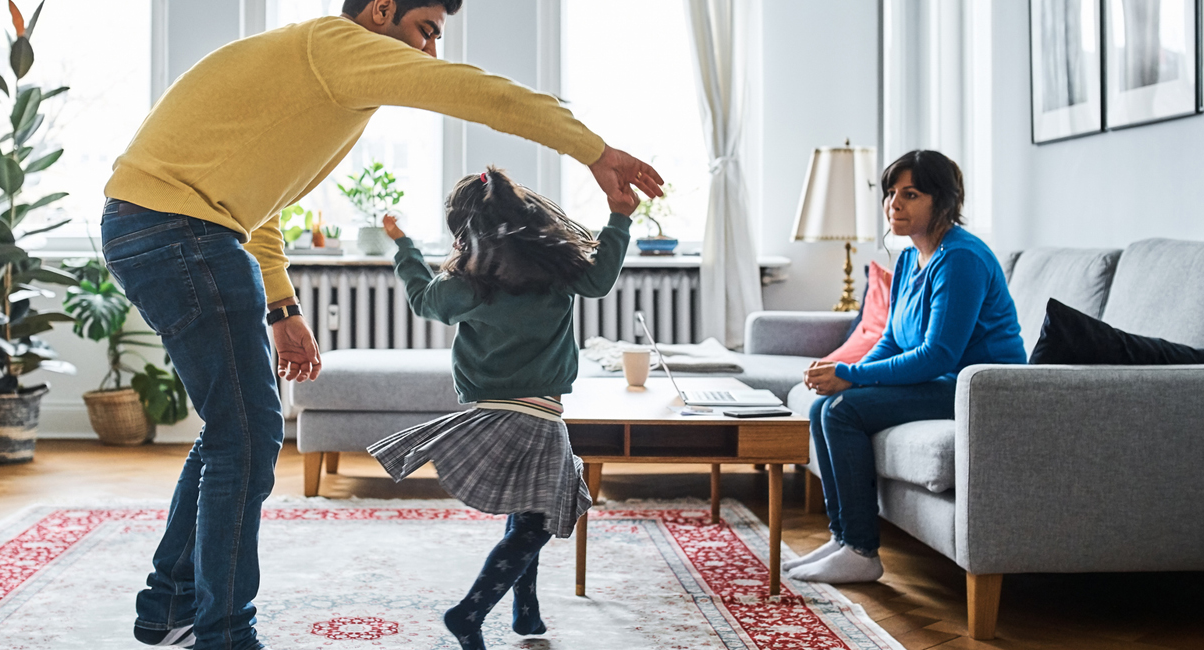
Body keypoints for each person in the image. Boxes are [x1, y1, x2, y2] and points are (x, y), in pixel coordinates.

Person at [101, 0, 664, 647]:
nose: (428, 53)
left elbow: (261, 203)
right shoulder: (339, 47)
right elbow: (477, 92)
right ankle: (223, 634)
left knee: (232, 433)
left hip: (164, 226)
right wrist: (594, 151)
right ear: (378, 11)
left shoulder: (316, 74)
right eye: (426, 30)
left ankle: (168, 604)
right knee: (249, 439)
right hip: (183, 232)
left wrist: (282, 307)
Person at [367, 166, 637, 650]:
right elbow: (599, 281)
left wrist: (404, 245)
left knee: (528, 508)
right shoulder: (556, 273)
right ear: (526, 217)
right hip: (536, 416)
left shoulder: (468, 285)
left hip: (491, 412)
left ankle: (525, 610)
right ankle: (468, 614)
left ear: (463, 231)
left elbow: (421, 300)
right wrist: (619, 218)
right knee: (534, 525)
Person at [790, 150, 1024, 584]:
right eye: (891, 193)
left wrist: (853, 377)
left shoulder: (960, 260)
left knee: (843, 411)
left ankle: (862, 550)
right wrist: (844, 372)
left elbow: (939, 355)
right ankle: (843, 538)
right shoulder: (907, 260)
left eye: (910, 194)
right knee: (825, 406)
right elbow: (893, 339)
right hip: (941, 381)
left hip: (978, 391)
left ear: (944, 201)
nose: (893, 204)